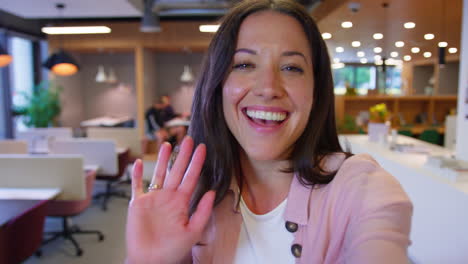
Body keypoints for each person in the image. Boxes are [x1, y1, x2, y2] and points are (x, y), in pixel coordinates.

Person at [126, 1, 413, 263]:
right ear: (218, 85)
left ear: (316, 89)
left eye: (291, 67)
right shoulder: (191, 192)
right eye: (244, 64)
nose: (268, 88)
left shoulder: (360, 188)